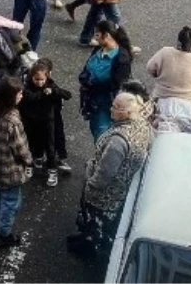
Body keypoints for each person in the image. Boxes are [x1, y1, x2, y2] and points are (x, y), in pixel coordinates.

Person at [66, 91, 153, 260]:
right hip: (121, 189)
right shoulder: (142, 125)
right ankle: (86, 239)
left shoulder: (118, 142)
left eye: (115, 107)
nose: (110, 109)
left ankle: (89, 249)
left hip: (105, 194)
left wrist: (90, 184)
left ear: (125, 113)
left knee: (95, 221)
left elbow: (104, 174)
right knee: (99, 222)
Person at [0, 77, 31, 249]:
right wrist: (29, 162)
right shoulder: (13, 121)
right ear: (10, 96)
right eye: (19, 94)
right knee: (10, 204)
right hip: (10, 170)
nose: (21, 96)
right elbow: (21, 148)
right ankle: (3, 235)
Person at [19, 60, 72, 187]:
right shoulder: (27, 88)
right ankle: (30, 165)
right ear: (31, 77)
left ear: (47, 77)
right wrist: (44, 93)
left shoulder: (51, 86)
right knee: (31, 144)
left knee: (50, 147)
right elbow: (30, 97)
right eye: (37, 80)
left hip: (47, 121)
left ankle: (52, 171)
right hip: (31, 121)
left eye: (42, 80)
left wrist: (54, 92)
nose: (39, 82)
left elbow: (67, 95)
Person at [78, 20, 133, 139]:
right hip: (93, 101)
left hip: (107, 104)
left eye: (97, 35)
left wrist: (93, 83)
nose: (95, 38)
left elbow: (119, 86)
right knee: (95, 128)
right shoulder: (98, 49)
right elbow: (87, 67)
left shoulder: (121, 59)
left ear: (107, 35)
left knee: (102, 133)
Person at [146, 27, 191, 133]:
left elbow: (150, 68)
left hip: (164, 100)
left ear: (178, 41)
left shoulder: (165, 52)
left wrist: (160, 76)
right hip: (190, 104)